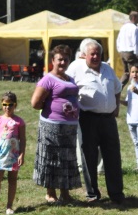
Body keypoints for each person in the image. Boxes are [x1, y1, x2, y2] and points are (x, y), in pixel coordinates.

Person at [67, 39, 124, 205]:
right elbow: (65, 87)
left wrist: (116, 107)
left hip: (108, 120)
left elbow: (118, 88)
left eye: (98, 54)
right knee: (89, 157)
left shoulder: (107, 68)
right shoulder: (76, 68)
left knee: (113, 156)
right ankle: (92, 193)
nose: (95, 57)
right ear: (84, 55)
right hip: (87, 119)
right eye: (92, 54)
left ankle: (116, 194)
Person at [30, 44, 81, 204]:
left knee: (66, 159)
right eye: (60, 59)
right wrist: (51, 106)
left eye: (66, 59)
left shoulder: (69, 79)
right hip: (52, 125)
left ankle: (65, 193)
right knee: (52, 159)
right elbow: (35, 103)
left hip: (69, 126)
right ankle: (50, 193)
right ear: (53, 60)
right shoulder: (47, 79)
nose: (63, 62)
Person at [0, 91, 26, 215]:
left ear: (15, 105)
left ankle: (9, 206)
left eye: (10, 104)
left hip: (13, 154)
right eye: (5, 104)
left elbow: (23, 139)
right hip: (0, 154)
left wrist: (22, 154)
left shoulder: (19, 122)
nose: (7, 107)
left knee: (12, 179)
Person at [121, 64, 138, 169]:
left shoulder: (134, 88)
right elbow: (128, 103)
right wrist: (119, 101)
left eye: (137, 72)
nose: (135, 74)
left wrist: (136, 91)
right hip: (131, 119)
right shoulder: (129, 87)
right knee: (136, 143)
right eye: (133, 72)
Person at [116, 11, 138, 88]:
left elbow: (118, 40)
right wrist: (137, 54)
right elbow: (135, 42)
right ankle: (133, 89)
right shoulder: (134, 28)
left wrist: (119, 50)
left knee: (126, 73)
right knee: (135, 72)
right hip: (131, 52)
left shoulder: (123, 27)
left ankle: (117, 89)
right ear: (134, 18)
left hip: (122, 52)